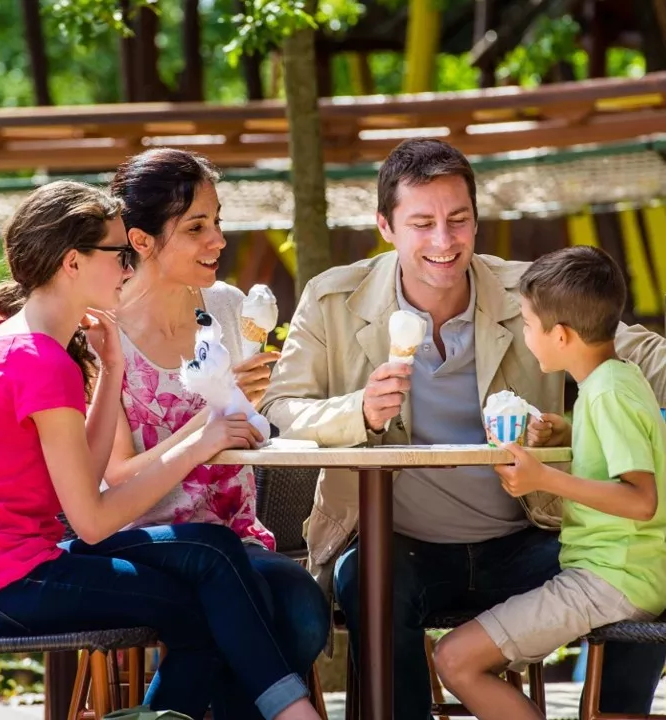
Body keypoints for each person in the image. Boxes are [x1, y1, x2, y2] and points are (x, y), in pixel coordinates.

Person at [260, 138, 666, 719]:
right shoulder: (332, 299)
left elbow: (636, 352)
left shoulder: (531, 293)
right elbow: (281, 405)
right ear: (385, 226)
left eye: (458, 220)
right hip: (398, 544)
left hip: (529, 535)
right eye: (422, 223)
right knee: (368, 579)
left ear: (476, 221)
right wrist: (358, 410)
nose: (443, 242)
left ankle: (615, 713)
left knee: (633, 579)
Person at [0, 180, 320, 720]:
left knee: (213, 550)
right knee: (200, 606)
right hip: (2, 583)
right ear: (72, 263)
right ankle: (294, 714)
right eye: (118, 254)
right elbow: (91, 521)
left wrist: (112, 370)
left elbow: (81, 475)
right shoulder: (39, 360)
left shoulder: (13, 341)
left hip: (17, 563)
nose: (129, 268)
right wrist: (202, 440)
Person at [76, 148, 328, 718]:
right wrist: (208, 421)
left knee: (303, 608)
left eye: (217, 222)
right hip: (150, 545)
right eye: (197, 227)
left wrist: (253, 408)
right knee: (262, 609)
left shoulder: (229, 307)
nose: (218, 239)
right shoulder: (103, 332)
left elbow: (249, 434)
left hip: (237, 535)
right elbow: (112, 477)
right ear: (140, 241)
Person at [433, 245, 666, 720]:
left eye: (527, 323)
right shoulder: (618, 380)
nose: (523, 335)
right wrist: (568, 430)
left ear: (560, 335)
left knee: (455, 659)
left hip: (611, 577)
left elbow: (642, 500)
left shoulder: (606, 396)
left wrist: (544, 479)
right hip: (621, 571)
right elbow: (621, 448)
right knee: (461, 655)